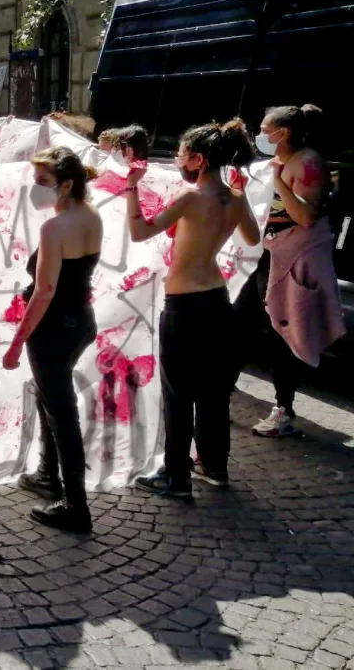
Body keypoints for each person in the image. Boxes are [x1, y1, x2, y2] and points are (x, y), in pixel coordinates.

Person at [128, 120, 260, 497]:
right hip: (218, 301)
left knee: (178, 392)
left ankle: (176, 475)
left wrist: (132, 187)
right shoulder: (233, 199)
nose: (177, 160)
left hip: (184, 305)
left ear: (199, 161)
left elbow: (140, 232)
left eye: (182, 154)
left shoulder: (190, 198)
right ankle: (214, 466)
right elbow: (252, 238)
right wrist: (242, 194)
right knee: (215, 390)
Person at [2, 148, 103, 533]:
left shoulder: (54, 228)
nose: (35, 189)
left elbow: (44, 292)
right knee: (52, 399)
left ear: (66, 184)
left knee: (62, 411)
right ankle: (48, 474)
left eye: (43, 181)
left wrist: (16, 342)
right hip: (78, 322)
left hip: (54, 328)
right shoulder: (89, 215)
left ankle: (76, 505)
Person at [239, 105, 344, 438]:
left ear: (282, 133)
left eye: (265, 129)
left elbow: (306, 216)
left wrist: (277, 182)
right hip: (268, 253)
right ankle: (220, 388)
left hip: (292, 259)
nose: (261, 135)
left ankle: (284, 410)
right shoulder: (277, 162)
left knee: (283, 332)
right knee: (243, 321)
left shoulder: (307, 163)